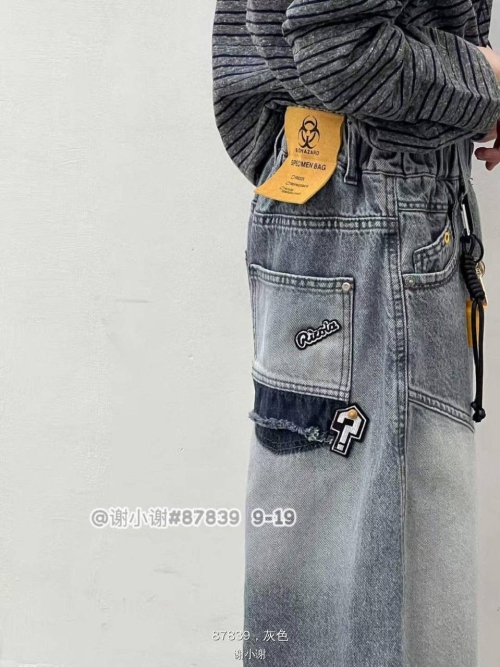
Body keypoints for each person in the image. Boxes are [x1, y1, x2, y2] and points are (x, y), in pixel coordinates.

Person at [211, 1, 500, 665]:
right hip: (375, 202)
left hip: (342, 192)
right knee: (382, 620)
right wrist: (483, 83)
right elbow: (338, 44)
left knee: (335, 604)